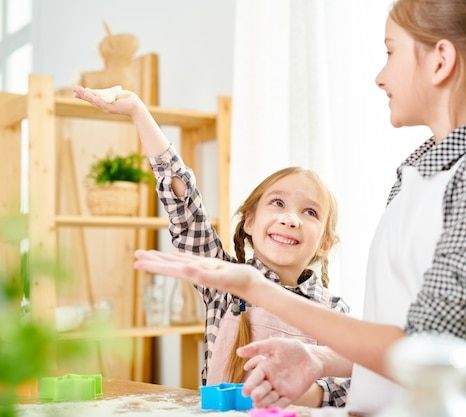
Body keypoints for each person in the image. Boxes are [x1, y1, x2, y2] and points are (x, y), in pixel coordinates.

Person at [133, 0, 466, 415]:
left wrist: (261, 291)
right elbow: (395, 336)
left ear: (441, 61)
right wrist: (318, 357)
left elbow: (429, 347)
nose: (380, 76)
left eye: (390, 52)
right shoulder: (414, 176)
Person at [72, 85, 351, 407]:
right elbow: (185, 206)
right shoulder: (225, 280)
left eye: (310, 212)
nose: (291, 219)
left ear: (325, 244)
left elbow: (350, 388)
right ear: (248, 221)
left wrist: (301, 392)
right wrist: (139, 113)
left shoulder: (334, 310)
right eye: (277, 203)